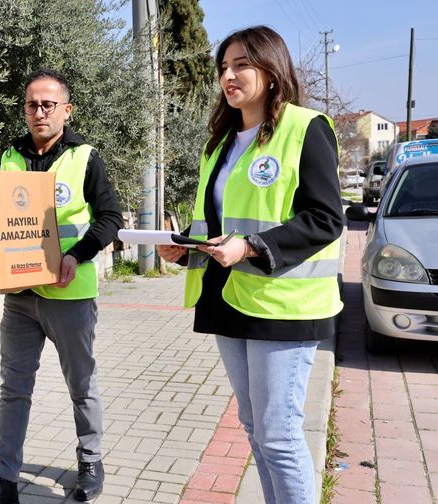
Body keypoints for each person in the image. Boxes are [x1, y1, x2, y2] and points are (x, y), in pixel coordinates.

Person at [157, 26, 343, 504]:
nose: (229, 76)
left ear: (271, 69)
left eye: (241, 64)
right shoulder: (220, 142)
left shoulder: (305, 128)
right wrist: (184, 247)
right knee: (255, 429)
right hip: (227, 297)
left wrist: (252, 247)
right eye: (224, 67)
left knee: (278, 435)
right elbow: (218, 221)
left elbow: (326, 219)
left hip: (284, 305)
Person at [0, 69, 123, 503]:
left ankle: (91, 461)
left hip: (70, 294)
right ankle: (5, 478)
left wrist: (77, 254)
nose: (40, 112)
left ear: (67, 110)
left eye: (49, 104)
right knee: (14, 389)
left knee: (81, 384)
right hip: (20, 298)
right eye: (32, 104)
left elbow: (111, 218)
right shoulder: (9, 156)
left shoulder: (85, 157)